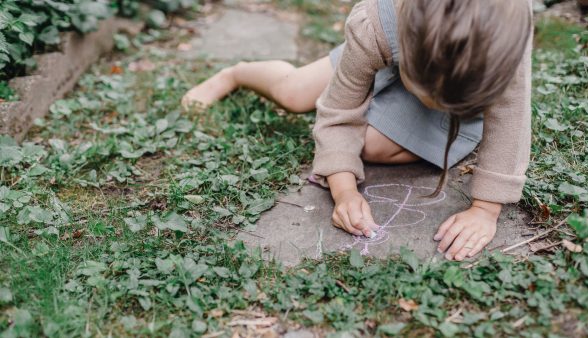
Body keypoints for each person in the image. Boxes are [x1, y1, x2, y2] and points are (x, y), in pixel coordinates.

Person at [181, 0, 533, 261]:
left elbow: (511, 117)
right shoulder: (375, 24)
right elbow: (339, 110)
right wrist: (344, 190)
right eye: (426, 96)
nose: (430, 105)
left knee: (372, 146)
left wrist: (486, 210)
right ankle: (236, 73)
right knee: (293, 91)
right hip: (389, 46)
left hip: (463, 80)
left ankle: (413, 104)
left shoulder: (503, 38)